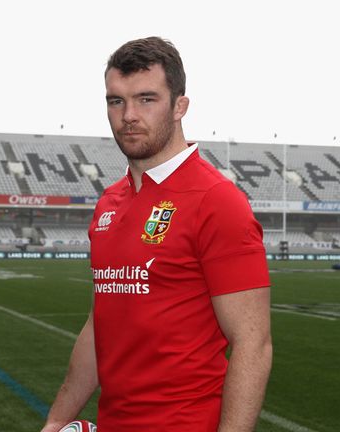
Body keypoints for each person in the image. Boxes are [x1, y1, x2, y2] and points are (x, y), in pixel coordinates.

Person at [42, 37, 272, 432]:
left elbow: (253, 344)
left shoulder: (216, 201)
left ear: (179, 106)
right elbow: (100, 327)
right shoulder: (109, 204)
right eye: (116, 101)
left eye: (146, 99)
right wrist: (58, 419)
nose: (129, 115)